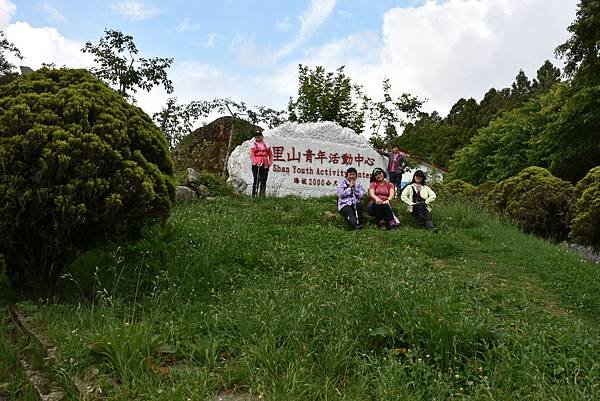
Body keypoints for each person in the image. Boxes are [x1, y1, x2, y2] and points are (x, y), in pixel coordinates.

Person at [249, 130, 273, 197]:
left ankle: (262, 195)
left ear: (262, 136)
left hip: (265, 164)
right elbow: (252, 155)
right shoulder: (253, 145)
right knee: (256, 179)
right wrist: (255, 162)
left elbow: (270, 154)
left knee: (264, 180)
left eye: (259, 136)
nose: (258, 137)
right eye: (257, 136)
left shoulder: (266, 145)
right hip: (256, 165)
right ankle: (254, 195)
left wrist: (270, 162)